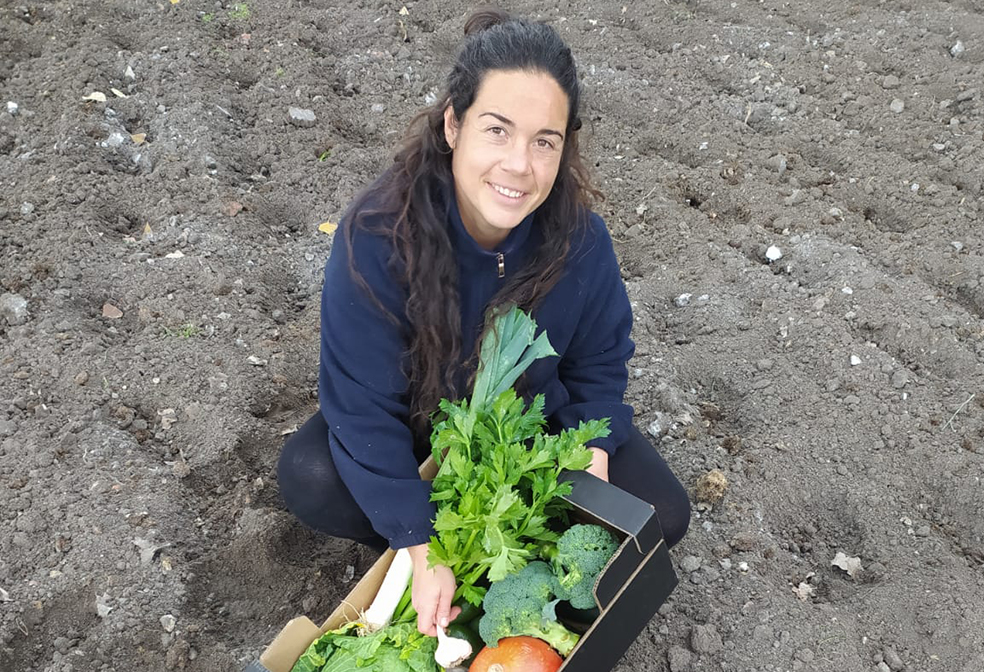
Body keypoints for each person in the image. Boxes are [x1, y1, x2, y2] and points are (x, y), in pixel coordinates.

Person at [277, 9, 690, 639]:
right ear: (454, 124)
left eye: (544, 141)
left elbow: (599, 362)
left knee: (661, 516)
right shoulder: (378, 237)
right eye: (497, 130)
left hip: (528, 432)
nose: (519, 164)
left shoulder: (580, 241)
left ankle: (513, 578)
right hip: (419, 431)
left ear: (564, 148)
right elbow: (360, 407)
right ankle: (439, 564)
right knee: (312, 474)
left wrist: (592, 458)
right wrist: (423, 545)